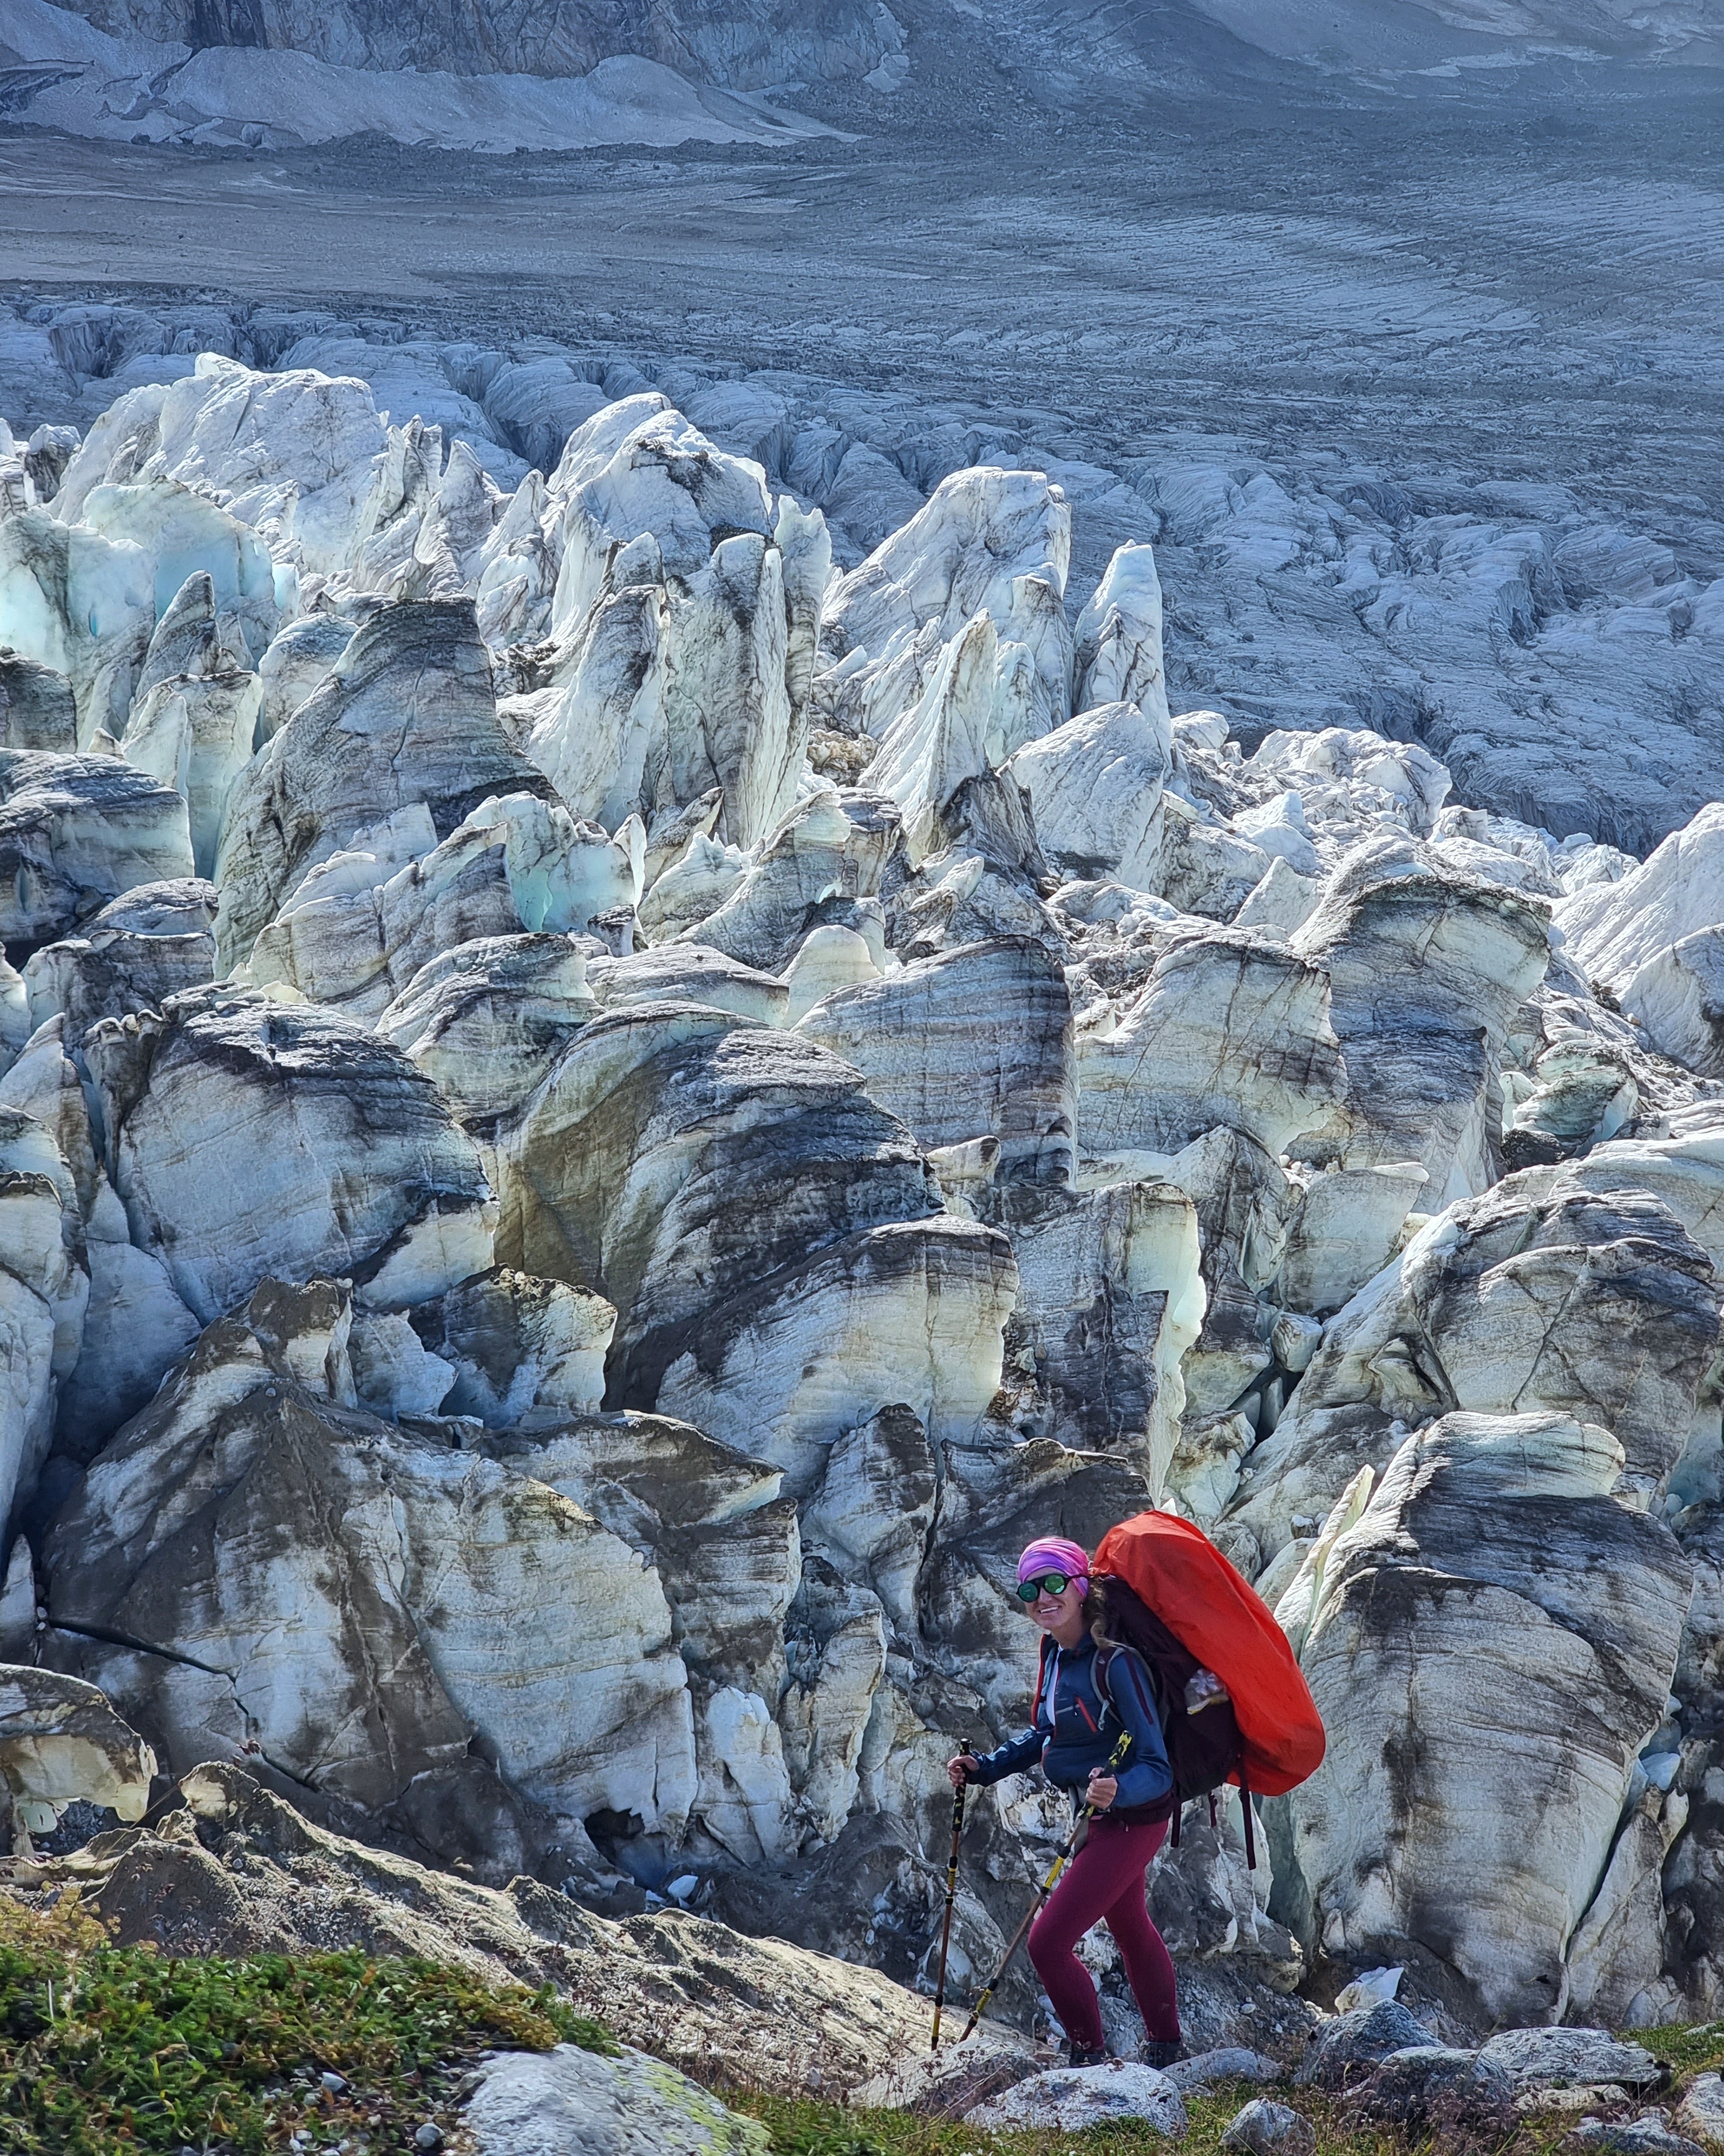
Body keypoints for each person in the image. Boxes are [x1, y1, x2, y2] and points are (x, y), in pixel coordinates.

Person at [948, 1535, 1182, 2069]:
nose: (1041, 1597)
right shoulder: (1055, 1653)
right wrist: (986, 1768)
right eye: (1030, 1588)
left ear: (1080, 1587)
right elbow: (1046, 1733)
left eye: (1054, 1582)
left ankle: (1088, 2058)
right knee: (1129, 1927)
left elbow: (1157, 1765)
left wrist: (1119, 1788)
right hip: (1098, 1816)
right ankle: (1167, 2048)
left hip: (1134, 1816)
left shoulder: (1115, 1663)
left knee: (1047, 1942)